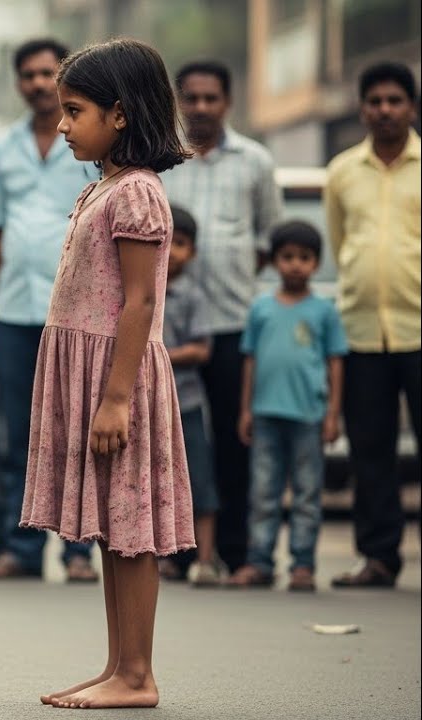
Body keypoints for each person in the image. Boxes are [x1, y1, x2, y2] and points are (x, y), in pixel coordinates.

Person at [21, 39, 193, 709]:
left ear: (119, 114)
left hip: (117, 375)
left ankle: (139, 675)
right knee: (111, 529)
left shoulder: (139, 193)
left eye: (75, 111)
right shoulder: (104, 187)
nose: (63, 124)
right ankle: (119, 666)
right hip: (92, 372)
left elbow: (141, 302)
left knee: (129, 524)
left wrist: (116, 397)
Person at [0, 37, 99, 582]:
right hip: (14, 307)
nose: (38, 83)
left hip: (75, 309)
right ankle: (20, 551)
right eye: (28, 74)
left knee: (75, 431)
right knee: (18, 434)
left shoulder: (91, 138)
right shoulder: (6, 147)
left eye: (48, 73)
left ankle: (77, 552)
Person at [162, 60, 282, 574]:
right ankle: (181, 552)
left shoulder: (255, 162)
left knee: (235, 441)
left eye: (211, 98)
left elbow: (269, 241)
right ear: (178, 101)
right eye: (191, 98)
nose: (201, 107)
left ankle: (234, 553)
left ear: (227, 102)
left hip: (232, 325)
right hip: (170, 333)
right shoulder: (163, 161)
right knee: (175, 445)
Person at [325, 62, 421, 589]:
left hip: (419, 328)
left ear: (411, 107)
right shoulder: (342, 172)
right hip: (361, 333)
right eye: (375, 101)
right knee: (370, 450)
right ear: (362, 109)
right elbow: (341, 243)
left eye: (394, 101)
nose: (384, 110)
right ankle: (379, 557)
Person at [226, 220, 346, 592]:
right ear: (275, 261)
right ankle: (259, 561)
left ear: (317, 263)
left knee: (307, 493)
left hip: (309, 416)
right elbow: (250, 361)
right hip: (265, 414)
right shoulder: (261, 308)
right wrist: (246, 410)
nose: (296, 264)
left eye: (304, 257)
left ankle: (303, 564)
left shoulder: (324, 311)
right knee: (264, 492)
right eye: (288, 256)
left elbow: (335, 363)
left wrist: (333, 414)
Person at [157, 207, 222, 587]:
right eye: (166, 241)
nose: (171, 251)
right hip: (150, 407)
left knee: (199, 479)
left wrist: (158, 354)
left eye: (180, 243)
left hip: (186, 404)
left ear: (193, 252)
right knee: (157, 483)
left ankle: (206, 559)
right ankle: (163, 559)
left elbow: (201, 349)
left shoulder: (193, 297)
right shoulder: (139, 288)